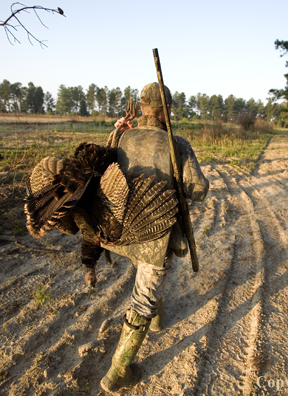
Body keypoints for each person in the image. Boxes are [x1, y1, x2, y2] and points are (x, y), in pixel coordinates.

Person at [99, 82, 209, 393]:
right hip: (156, 234)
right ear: (169, 109)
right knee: (144, 294)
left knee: (147, 271)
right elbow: (198, 189)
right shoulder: (178, 145)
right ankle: (118, 371)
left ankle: (158, 320)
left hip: (123, 231)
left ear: (143, 107)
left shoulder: (124, 136)